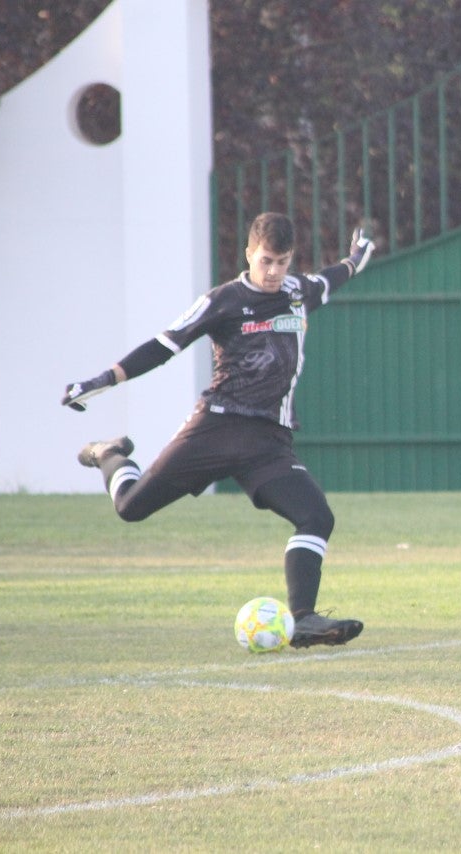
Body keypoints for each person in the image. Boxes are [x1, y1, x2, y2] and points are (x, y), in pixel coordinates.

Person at [61, 212, 375, 648]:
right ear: (249, 254)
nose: (274, 272)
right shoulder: (223, 301)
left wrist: (356, 258)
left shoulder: (298, 292)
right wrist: (102, 380)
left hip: (268, 441)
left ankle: (302, 619)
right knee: (131, 508)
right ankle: (109, 452)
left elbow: (331, 278)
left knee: (316, 516)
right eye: (266, 261)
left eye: (282, 262)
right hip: (217, 427)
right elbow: (162, 345)